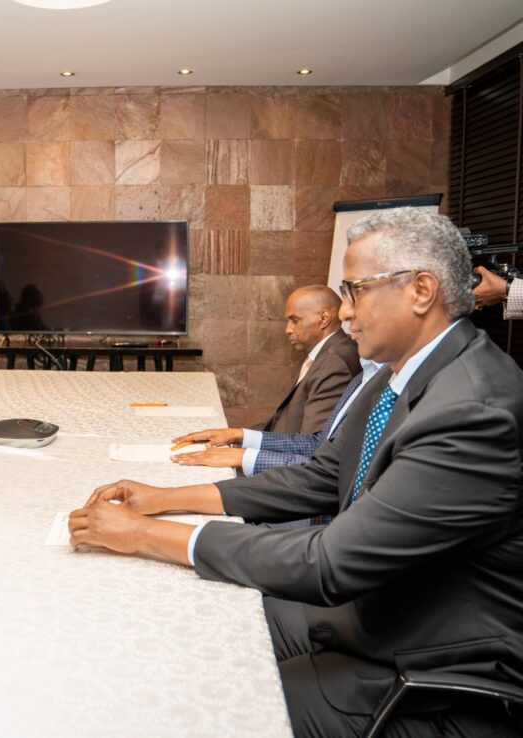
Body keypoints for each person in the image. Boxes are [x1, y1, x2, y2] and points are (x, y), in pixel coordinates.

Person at [69, 208, 523, 737]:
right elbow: (319, 477)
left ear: (421, 291)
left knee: (195, 706)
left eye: (356, 291)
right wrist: (167, 499)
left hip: (424, 671)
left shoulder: (472, 411)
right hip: (372, 612)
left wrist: (146, 534)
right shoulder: (403, 374)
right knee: (181, 630)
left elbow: (329, 562)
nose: (345, 313)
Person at [172, 358, 384, 474]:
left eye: (294, 320)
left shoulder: (337, 361)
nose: (345, 313)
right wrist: (238, 435)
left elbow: (329, 469)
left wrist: (244, 456)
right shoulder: (363, 375)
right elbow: (319, 443)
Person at [252, 285, 360, 435]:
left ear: (324, 319)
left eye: (295, 320)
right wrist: (240, 435)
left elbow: (309, 444)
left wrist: (245, 451)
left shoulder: (334, 362)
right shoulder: (324, 352)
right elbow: (286, 421)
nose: (288, 329)